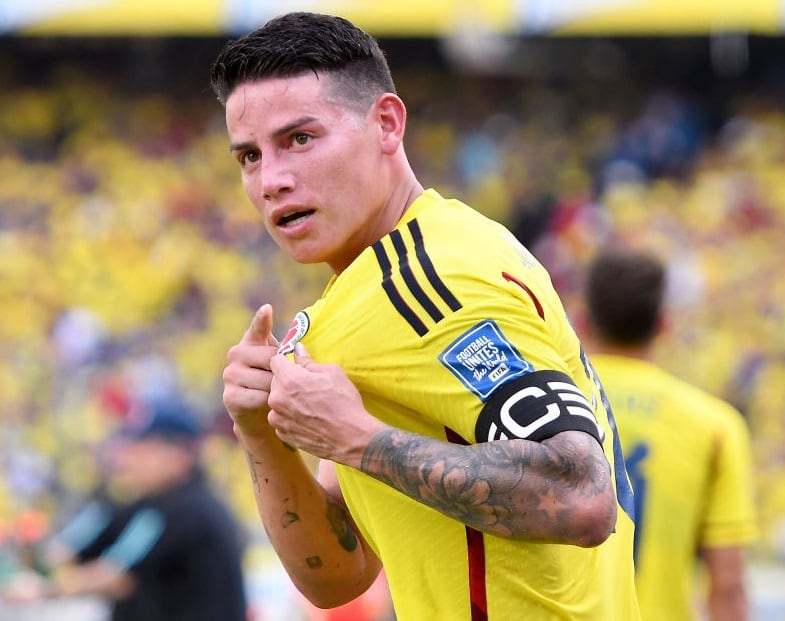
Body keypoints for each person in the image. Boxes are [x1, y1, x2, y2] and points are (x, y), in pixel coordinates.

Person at [211, 11, 640, 621]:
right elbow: (337, 573)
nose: (272, 180)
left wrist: (357, 438)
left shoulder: (432, 280)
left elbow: (581, 495)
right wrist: (262, 434)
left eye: (300, 139)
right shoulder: (376, 286)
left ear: (386, 124)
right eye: (250, 156)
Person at [578, 247, 758, 621]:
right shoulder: (715, 426)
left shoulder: (547, 407)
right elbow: (728, 588)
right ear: (663, 323)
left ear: (582, 321)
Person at [1, 396, 249, 621]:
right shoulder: (157, 503)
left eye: (144, 449)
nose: (131, 459)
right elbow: (72, 553)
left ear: (179, 452)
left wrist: (43, 590)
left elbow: (118, 576)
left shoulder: (187, 509)